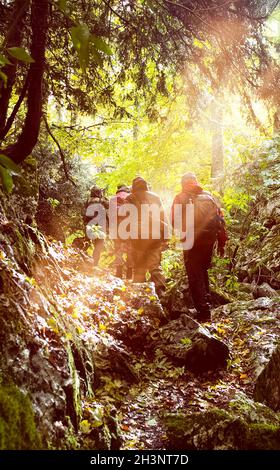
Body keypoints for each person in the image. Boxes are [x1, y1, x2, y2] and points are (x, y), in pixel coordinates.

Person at [171, 172, 227, 322]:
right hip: (209, 241)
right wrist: (222, 243)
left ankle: (203, 311)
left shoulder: (180, 198)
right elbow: (220, 219)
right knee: (203, 271)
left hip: (191, 242)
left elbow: (174, 221)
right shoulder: (208, 196)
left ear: (183, 184)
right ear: (196, 182)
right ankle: (206, 303)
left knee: (194, 275)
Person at [124, 176, 169, 296]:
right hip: (154, 239)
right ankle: (162, 295)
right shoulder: (155, 197)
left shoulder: (129, 198)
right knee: (155, 268)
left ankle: (140, 298)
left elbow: (124, 220)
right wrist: (165, 238)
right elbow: (163, 218)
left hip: (137, 240)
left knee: (139, 268)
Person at [109, 184, 133, 279]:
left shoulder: (112, 199)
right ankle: (129, 275)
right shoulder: (131, 198)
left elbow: (110, 216)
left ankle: (118, 274)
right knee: (130, 251)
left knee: (118, 251)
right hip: (129, 230)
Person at [84, 185, 109, 266]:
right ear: (99, 192)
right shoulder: (102, 200)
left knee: (87, 242)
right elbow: (108, 207)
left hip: (89, 225)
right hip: (100, 226)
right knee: (98, 245)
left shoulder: (88, 200)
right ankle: (95, 264)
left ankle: (83, 261)